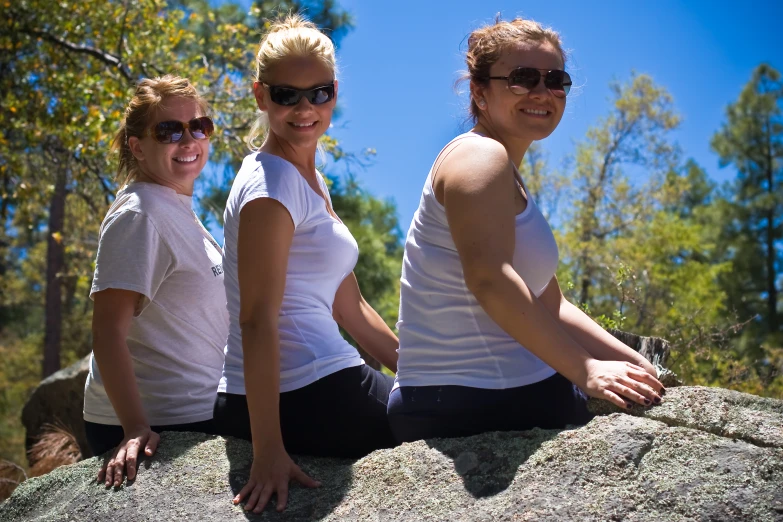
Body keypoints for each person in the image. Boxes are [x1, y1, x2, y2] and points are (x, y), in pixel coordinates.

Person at [387, 17, 665, 443]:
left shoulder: (505, 173)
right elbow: (490, 279)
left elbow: (551, 303)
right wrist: (586, 369)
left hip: (485, 395)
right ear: (479, 92)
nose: (542, 92)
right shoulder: (479, 158)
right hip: (465, 402)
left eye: (555, 80)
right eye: (522, 78)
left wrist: (642, 366)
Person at [212, 14, 399, 514]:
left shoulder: (305, 178)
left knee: (448, 393)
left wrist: (419, 370)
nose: (305, 109)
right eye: (285, 95)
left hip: (319, 380)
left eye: (319, 93)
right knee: (466, 414)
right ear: (259, 95)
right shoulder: (270, 188)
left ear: (335, 92)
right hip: (303, 391)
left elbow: (351, 307)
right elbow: (255, 320)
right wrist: (268, 451)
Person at [83, 75, 228, 487]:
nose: (188, 140)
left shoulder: (175, 206)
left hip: (196, 406)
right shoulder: (140, 214)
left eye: (199, 126)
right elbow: (108, 331)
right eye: (168, 131)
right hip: (164, 422)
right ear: (137, 146)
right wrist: (133, 428)